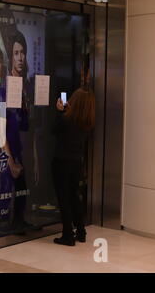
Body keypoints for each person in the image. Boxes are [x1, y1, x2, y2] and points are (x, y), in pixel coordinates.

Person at [52, 79, 96, 246]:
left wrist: (59, 112)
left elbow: (53, 130)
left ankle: (68, 235)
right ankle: (81, 231)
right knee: (74, 196)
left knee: (63, 198)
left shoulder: (66, 119)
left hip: (61, 162)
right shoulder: (87, 122)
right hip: (77, 163)